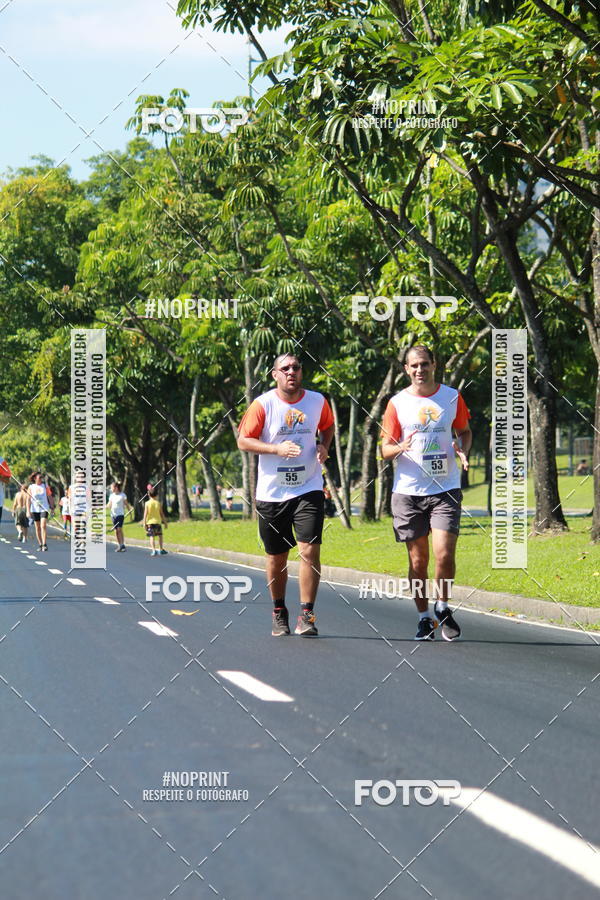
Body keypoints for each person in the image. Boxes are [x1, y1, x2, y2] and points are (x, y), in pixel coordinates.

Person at [237, 353, 335, 637]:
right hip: (273, 492)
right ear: (274, 374)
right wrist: (276, 449)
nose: (291, 371)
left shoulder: (317, 401)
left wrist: (323, 446)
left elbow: (327, 427)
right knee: (277, 558)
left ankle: (307, 615)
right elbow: (243, 440)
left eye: (296, 367)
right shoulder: (263, 404)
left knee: (309, 550)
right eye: (285, 368)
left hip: (309, 487)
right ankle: (279, 611)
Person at [381, 345, 472, 641]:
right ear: (406, 370)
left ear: (434, 365)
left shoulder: (451, 397)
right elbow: (384, 450)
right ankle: (424, 618)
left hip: (445, 487)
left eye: (424, 364)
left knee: (444, 554)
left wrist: (462, 448)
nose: (420, 370)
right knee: (418, 563)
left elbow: (465, 431)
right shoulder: (397, 403)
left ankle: (442, 605)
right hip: (408, 492)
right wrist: (400, 447)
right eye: (414, 366)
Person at [27, 471, 54, 551]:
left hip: (44, 508)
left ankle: (44, 544)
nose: (41, 479)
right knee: (37, 527)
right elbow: (28, 499)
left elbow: (50, 497)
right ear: (35, 478)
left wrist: (52, 508)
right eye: (39, 477)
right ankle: (40, 544)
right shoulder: (31, 487)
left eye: (41, 478)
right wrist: (28, 511)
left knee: (43, 526)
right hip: (35, 509)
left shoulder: (45, 486)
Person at [142, 486, 168, 556]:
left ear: (149, 495)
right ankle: (161, 549)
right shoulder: (158, 503)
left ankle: (153, 550)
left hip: (150, 523)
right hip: (158, 522)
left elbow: (145, 514)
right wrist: (165, 522)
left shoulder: (147, 503)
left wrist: (144, 523)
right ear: (157, 495)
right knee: (160, 536)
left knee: (151, 536)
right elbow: (162, 514)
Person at [107, 482, 132, 551]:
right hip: (113, 515)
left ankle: (122, 544)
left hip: (120, 514)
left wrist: (130, 512)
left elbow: (126, 504)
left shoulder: (122, 495)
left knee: (119, 529)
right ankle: (120, 545)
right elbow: (109, 505)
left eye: (112, 487)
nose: (111, 489)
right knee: (116, 531)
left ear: (116, 488)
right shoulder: (111, 496)